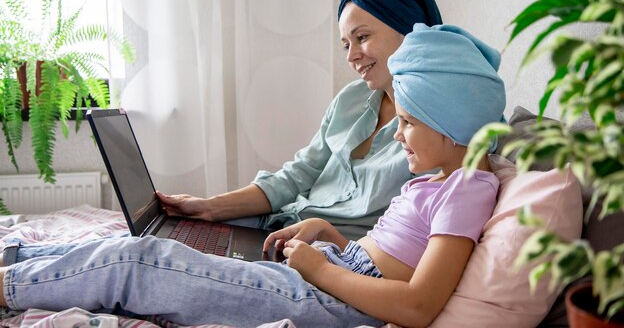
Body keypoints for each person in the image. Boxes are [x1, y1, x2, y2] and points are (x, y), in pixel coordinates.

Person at [0, 23, 506, 328]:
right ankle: (15, 260)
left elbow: (417, 305)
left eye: (411, 123)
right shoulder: (438, 178)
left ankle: (11, 286)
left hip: (338, 301)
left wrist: (321, 270)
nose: (399, 134)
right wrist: (328, 239)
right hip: (335, 272)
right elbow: (391, 252)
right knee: (144, 247)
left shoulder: (466, 189)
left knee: (142, 261)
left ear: (451, 124)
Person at [157, 0, 443, 240]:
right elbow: (298, 175)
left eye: (362, 37)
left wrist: (323, 246)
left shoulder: (440, 125)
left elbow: (405, 242)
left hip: (321, 254)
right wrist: (207, 208)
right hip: (279, 223)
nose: (351, 56)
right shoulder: (351, 100)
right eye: (346, 44)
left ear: (409, 29)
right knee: (169, 235)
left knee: (137, 258)